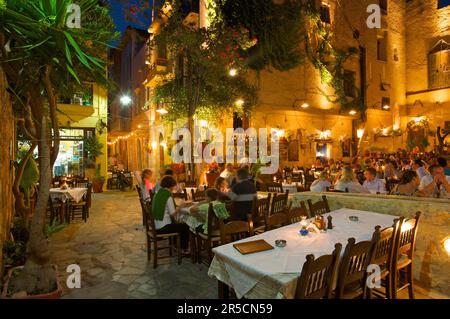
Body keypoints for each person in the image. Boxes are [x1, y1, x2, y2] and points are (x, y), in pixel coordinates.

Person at [151, 176, 190, 252]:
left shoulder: (157, 193)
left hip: (156, 225)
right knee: (185, 226)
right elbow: (172, 214)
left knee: (177, 224)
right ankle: (183, 249)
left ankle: (176, 245)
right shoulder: (167, 196)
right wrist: (181, 206)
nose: (175, 187)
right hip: (163, 227)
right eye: (174, 185)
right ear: (171, 185)